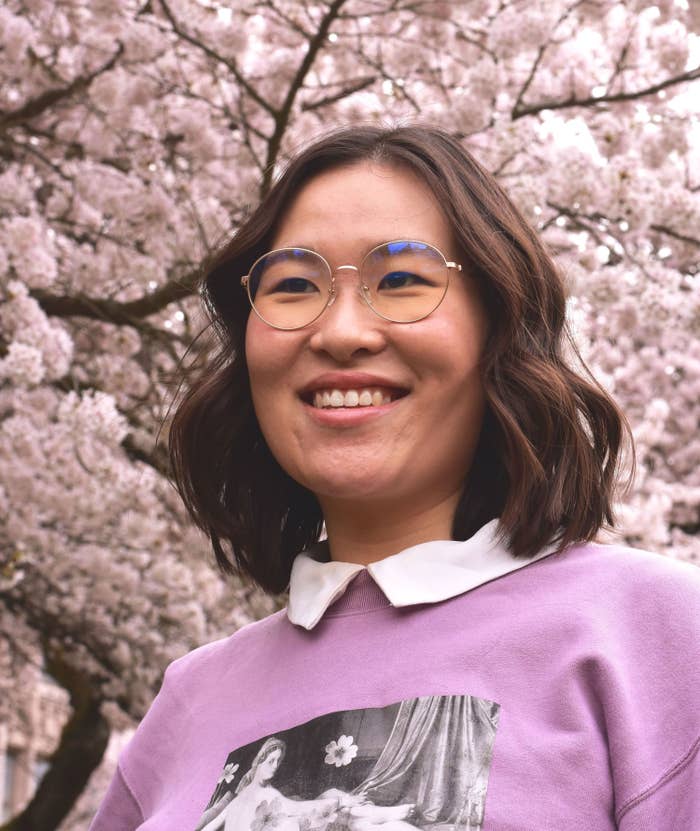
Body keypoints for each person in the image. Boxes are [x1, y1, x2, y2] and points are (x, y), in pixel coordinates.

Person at [89, 126, 700, 831]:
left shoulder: (657, 638)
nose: (342, 330)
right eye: (293, 285)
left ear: (500, 325)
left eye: (403, 280)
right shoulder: (186, 705)